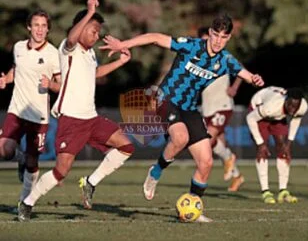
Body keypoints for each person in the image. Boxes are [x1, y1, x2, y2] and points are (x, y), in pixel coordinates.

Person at [100, 14, 264, 222]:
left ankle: (193, 208)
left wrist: (254, 79)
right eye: (215, 35)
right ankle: (155, 172)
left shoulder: (225, 60)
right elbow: (155, 37)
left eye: (223, 37)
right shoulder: (192, 45)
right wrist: (123, 43)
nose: (217, 41)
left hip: (189, 108)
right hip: (166, 99)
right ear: (210, 33)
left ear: (229, 37)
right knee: (180, 137)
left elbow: (246, 75)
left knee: (206, 162)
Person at [18, 0, 134, 222]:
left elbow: (95, 74)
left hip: (91, 118)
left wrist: (120, 62)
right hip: (72, 119)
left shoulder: (90, 53)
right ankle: (28, 202)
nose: (96, 34)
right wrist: (89, 12)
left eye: (98, 30)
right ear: (80, 28)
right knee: (61, 171)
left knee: (126, 146)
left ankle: (90, 182)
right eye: (93, 29)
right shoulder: (67, 47)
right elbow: (71, 38)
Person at [0, 9, 61, 205]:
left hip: (39, 116)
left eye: (44, 26)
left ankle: (24, 201)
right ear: (29, 27)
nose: (40, 29)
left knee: (33, 163)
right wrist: (6, 80)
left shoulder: (53, 54)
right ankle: (20, 158)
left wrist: (50, 85)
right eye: (36, 25)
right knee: (3, 150)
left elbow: (61, 85)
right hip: (17, 110)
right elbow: (17, 69)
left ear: (48, 29)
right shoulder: (18, 47)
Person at [198, 26, 244, 191]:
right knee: (218, 143)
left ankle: (227, 162)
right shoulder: (196, 60)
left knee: (207, 140)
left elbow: (241, 69)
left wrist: (235, 87)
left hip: (223, 105)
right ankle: (237, 176)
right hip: (207, 107)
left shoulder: (222, 57)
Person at [246, 86, 307, 204]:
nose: (293, 109)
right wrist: (260, 143)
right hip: (259, 109)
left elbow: (296, 119)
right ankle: (266, 192)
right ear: (286, 100)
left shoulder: (302, 106)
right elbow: (250, 118)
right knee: (263, 151)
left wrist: (289, 143)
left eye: (296, 106)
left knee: (283, 149)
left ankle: (283, 190)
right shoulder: (271, 106)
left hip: (278, 116)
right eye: (290, 105)